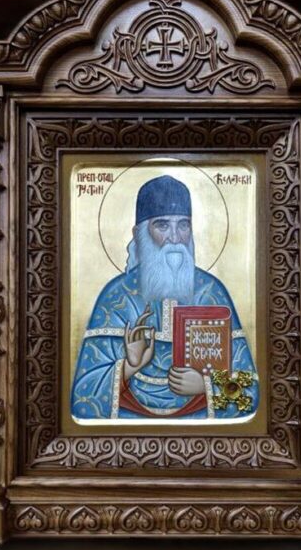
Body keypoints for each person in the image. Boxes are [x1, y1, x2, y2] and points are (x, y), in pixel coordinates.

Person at [71, 175, 258, 420]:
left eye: (183, 225)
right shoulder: (116, 296)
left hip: (202, 420)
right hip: (128, 421)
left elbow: (250, 392)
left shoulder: (212, 292)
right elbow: (82, 399)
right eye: (162, 225)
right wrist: (129, 367)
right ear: (140, 233)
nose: (175, 237)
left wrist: (207, 385)